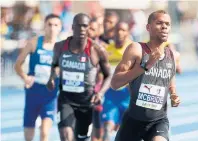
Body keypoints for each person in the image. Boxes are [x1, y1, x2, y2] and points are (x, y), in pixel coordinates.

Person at [111, 10, 181, 141]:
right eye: (159, 23)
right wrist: (145, 66)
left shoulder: (171, 54)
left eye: (167, 24)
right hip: (133, 120)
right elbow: (115, 83)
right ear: (148, 27)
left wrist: (173, 93)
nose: (164, 26)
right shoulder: (136, 49)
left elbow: (171, 78)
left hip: (158, 121)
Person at [46, 13, 111, 141]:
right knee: (66, 136)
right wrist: (52, 78)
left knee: (81, 138)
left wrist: (100, 93)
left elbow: (109, 75)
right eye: (78, 26)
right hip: (66, 100)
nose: (81, 29)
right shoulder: (60, 46)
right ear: (72, 27)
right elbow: (54, 65)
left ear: (89, 28)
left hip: (87, 103)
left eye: (85, 26)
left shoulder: (97, 50)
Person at [15, 14, 62, 141]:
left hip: (50, 96)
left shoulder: (62, 48)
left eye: (56, 25)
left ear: (60, 28)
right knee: (28, 135)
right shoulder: (34, 43)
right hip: (33, 92)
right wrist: (25, 77)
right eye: (49, 24)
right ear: (44, 26)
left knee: (45, 133)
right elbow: (17, 65)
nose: (52, 28)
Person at [101, 21, 132, 141]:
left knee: (127, 133)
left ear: (128, 32)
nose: (120, 33)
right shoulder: (107, 50)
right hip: (111, 96)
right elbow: (104, 74)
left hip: (128, 96)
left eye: (123, 30)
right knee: (107, 130)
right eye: (117, 30)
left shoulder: (133, 49)